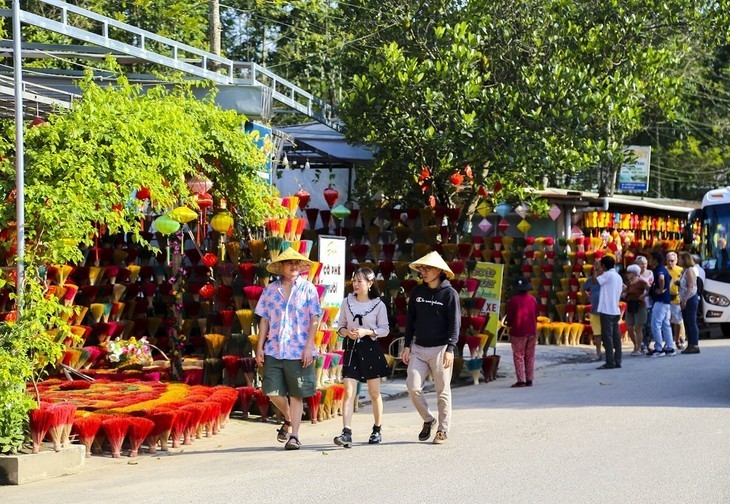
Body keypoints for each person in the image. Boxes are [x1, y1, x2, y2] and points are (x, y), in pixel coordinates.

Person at [254, 247, 322, 451]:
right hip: (274, 348)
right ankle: (290, 417)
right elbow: (264, 320)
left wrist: (309, 347)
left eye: (297, 263)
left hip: (298, 349)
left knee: (296, 394)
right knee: (272, 391)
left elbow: (314, 319)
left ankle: (294, 435)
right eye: (289, 263)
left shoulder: (308, 289)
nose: (294, 266)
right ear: (281, 267)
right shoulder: (269, 291)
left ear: (301, 267)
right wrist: (259, 347)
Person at [402, 251, 460, 445]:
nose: (423, 272)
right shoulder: (418, 292)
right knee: (413, 387)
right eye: (421, 268)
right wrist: (407, 345)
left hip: (441, 349)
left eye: (427, 268)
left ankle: (443, 430)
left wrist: (451, 348)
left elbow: (455, 324)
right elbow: (411, 321)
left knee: (443, 391)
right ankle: (429, 419)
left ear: (439, 271)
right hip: (418, 348)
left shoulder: (449, 294)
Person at [333, 267, 390, 448]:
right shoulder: (346, 302)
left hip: (371, 348)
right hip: (351, 349)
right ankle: (346, 432)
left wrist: (367, 331)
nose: (355, 284)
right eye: (354, 280)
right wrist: (347, 333)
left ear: (370, 284)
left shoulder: (379, 305)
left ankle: (377, 429)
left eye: (360, 281)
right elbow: (340, 326)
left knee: (374, 393)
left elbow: (385, 329)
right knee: (349, 391)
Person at [504, 276, 538, 387]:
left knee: (518, 355)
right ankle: (529, 379)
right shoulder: (533, 299)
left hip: (518, 331)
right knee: (530, 355)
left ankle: (521, 380)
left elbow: (510, 316)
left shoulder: (514, 300)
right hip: (532, 330)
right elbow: (536, 314)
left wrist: (508, 324)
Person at [596, 255, 624, 369]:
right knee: (616, 336)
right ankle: (618, 360)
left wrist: (596, 269)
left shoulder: (607, 275)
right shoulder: (618, 276)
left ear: (603, 266)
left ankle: (610, 361)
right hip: (615, 310)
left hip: (606, 310)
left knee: (607, 337)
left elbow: (595, 280)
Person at [648, 251, 675, 357]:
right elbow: (670, 279)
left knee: (655, 324)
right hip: (666, 301)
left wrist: (661, 288)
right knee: (665, 324)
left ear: (655, 260)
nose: (649, 260)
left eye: (651, 258)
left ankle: (659, 348)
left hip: (660, 301)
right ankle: (670, 346)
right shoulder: (662, 269)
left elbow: (661, 278)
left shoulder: (659, 270)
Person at [678, 251, 700, 354]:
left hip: (690, 298)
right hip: (684, 298)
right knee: (687, 321)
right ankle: (690, 344)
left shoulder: (689, 271)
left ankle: (694, 344)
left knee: (691, 321)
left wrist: (685, 299)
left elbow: (691, 285)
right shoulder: (684, 271)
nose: (678, 260)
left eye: (680, 258)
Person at [581, 258, 603, 361]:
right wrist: (589, 297)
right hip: (595, 310)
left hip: (606, 310)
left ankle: (609, 352)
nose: (598, 268)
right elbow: (582, 289)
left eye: (599, 266)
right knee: (597, 333)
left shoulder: (607, 278)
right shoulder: (591, 279)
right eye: (596, 266)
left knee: (607, 332)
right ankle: (598, 352)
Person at [624, 264, 649, 356]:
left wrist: (643, 296)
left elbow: (650, 289)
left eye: (629, 272)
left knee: (638, 327)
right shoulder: (629, 283)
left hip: (639, 305)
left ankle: (638, 348)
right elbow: (627, 292)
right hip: (630, 305)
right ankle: (635, 345)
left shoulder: (641, 281)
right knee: (629, 326)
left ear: (634, 273)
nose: (627, 274)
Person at [666, 251, 686, 349]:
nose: (670, 263)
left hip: (677, 299)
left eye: (672, 261)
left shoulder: (681, 270)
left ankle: (678, 340)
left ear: (676, 260)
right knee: (666, 322)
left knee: (678, 321)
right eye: (668, 261)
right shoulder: (664, 270)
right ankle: (668, 341)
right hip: (666, 300)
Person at [635, 255, 654, 353]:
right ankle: (642, 344)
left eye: (645, 263)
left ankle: (648, 343)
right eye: (641, 264)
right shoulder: (636, 276)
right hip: (640, 303)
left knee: (649, 325)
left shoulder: (651, 273)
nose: (644, 266)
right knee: (641, 324)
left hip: (650, 302)